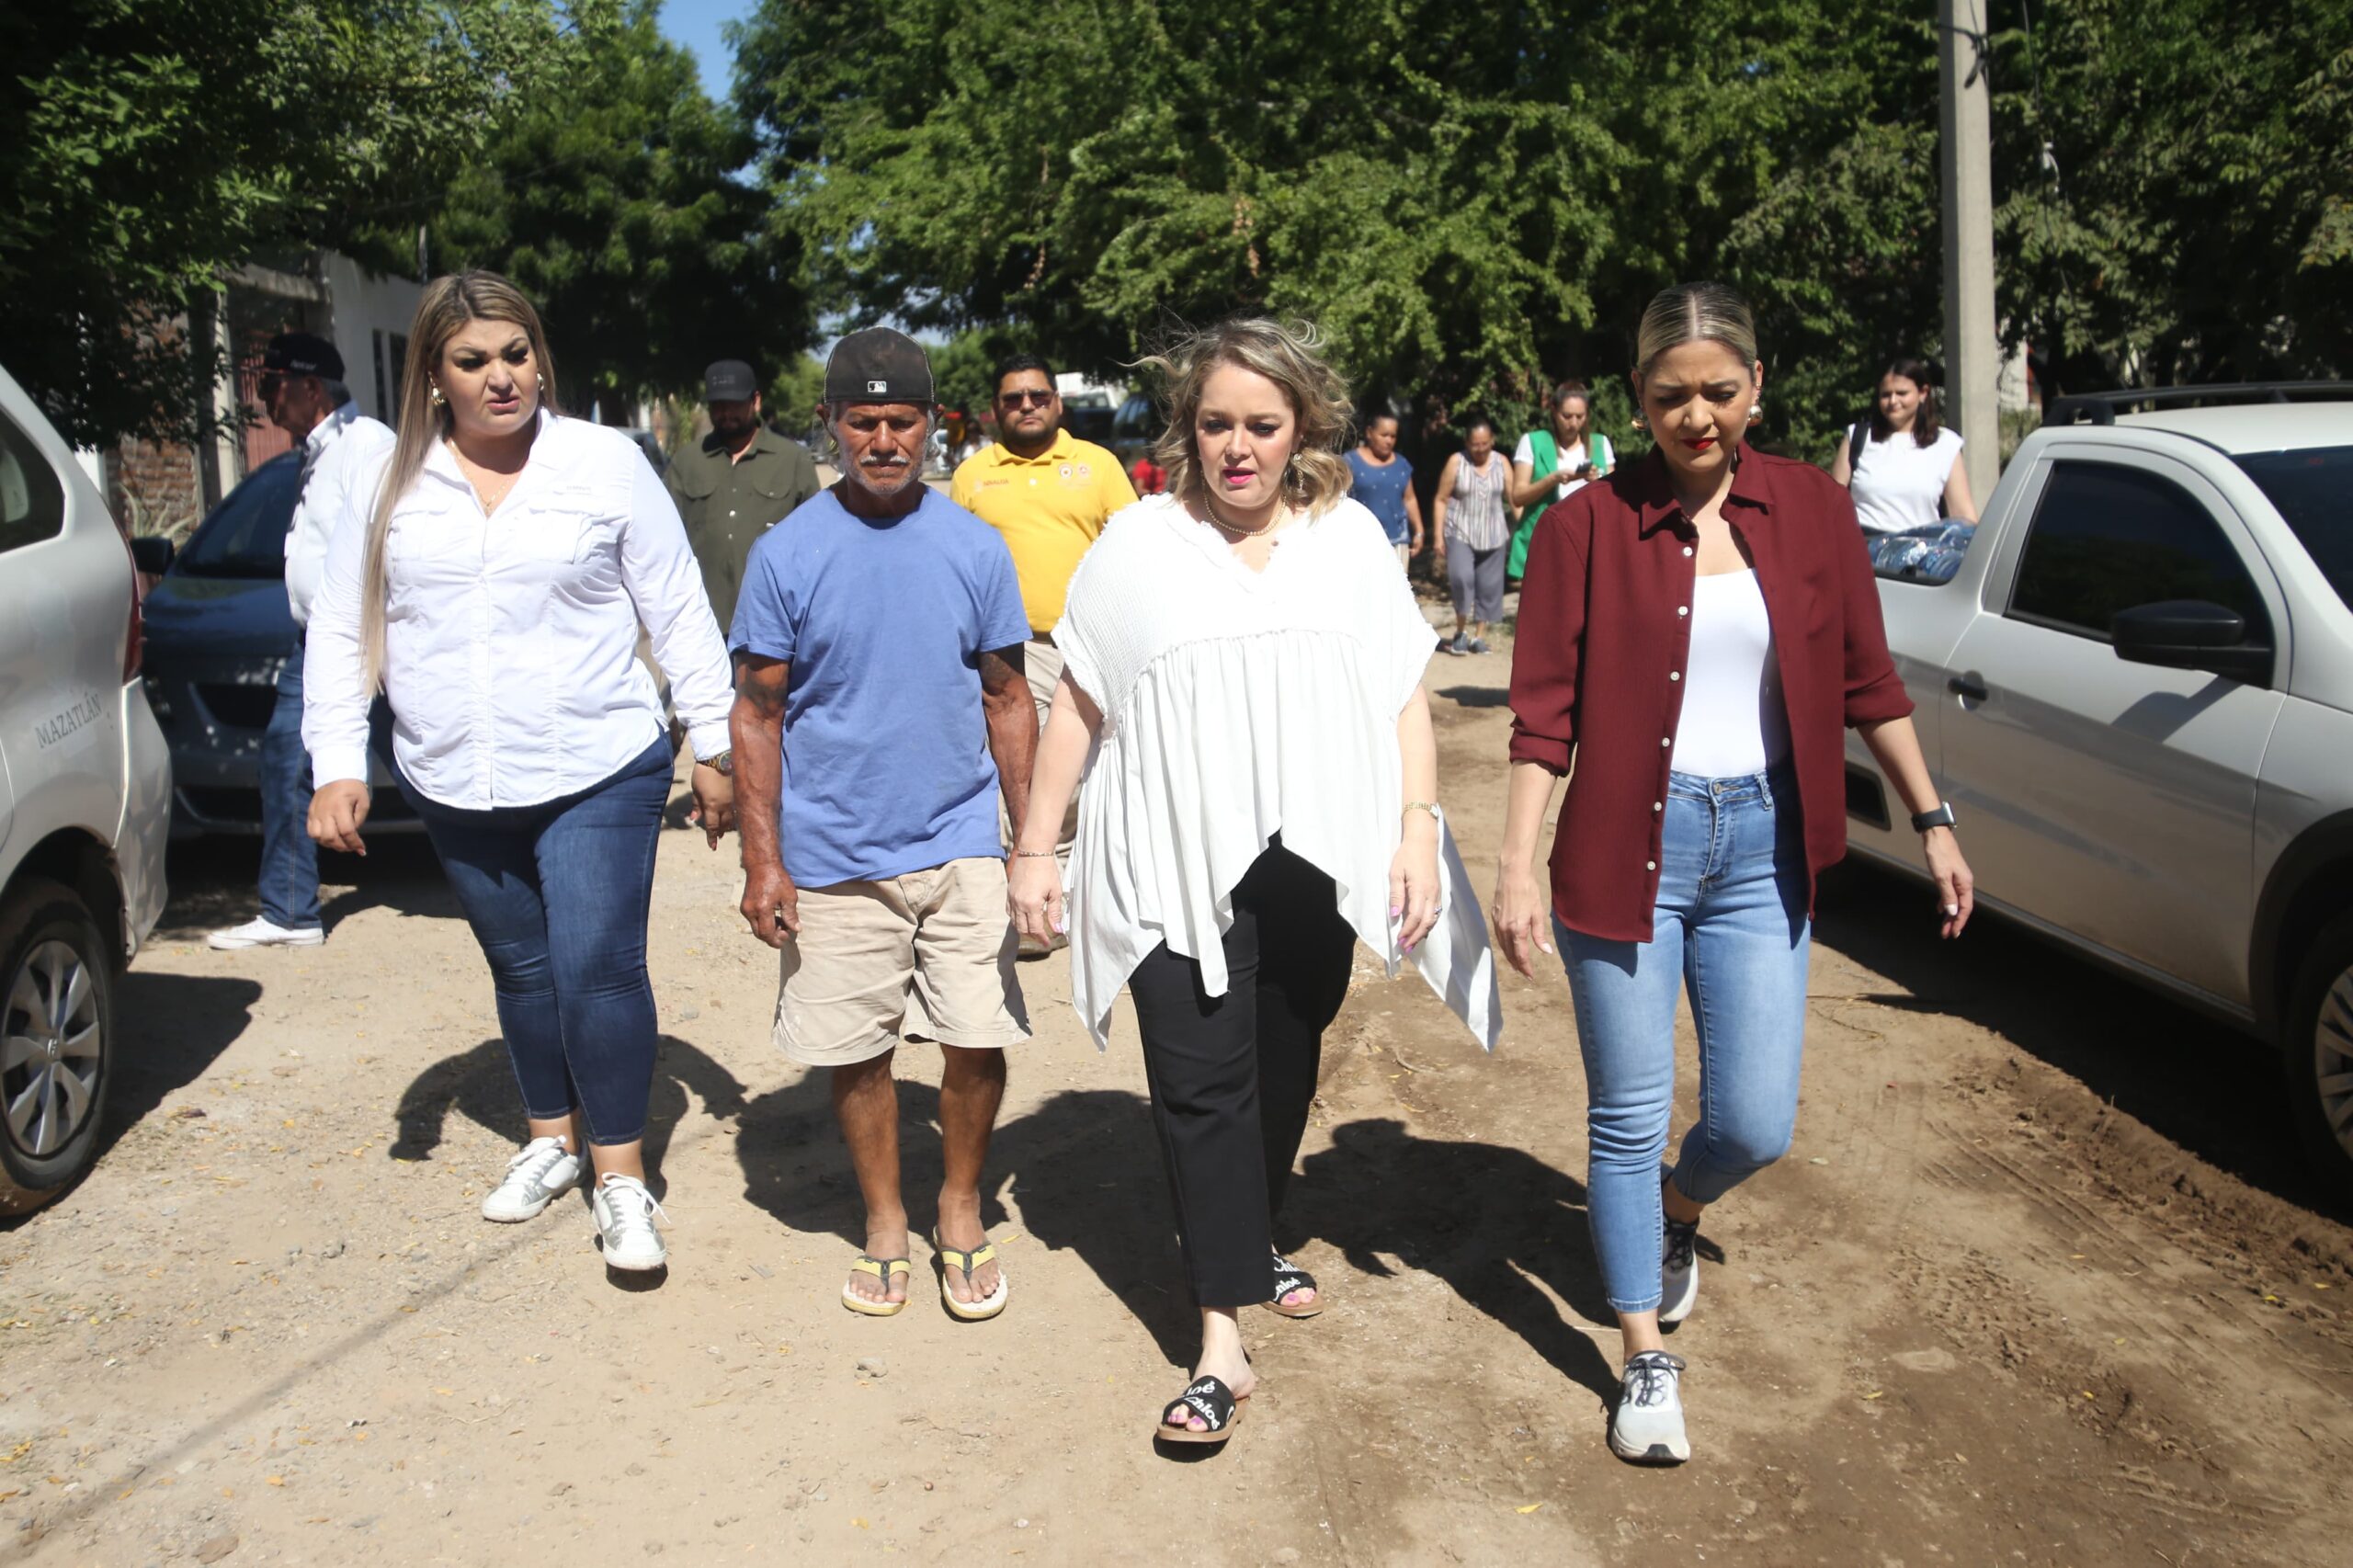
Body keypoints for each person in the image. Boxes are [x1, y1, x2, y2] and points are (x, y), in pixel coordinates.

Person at [1491, 282, 1976, 1466]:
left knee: (1755, 1121)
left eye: (1718, 391)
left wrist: (1933, 816)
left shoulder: (1811, 508)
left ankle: (1678, 1206)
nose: (1695, 417)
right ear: (1636, 403)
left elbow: (1867, 681)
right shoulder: (1583, 528)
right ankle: (1642, 1350)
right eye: (1668, 398)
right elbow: (1541, 718)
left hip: (1766, 846)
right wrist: (1512, 863)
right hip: (1623, 850)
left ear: (1756, 386)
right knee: (1625, 1112)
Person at [1008, 316, 1491, 1449]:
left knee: (1283, 1057)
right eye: (1216, 423)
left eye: (1261, 426)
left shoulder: (1349, 541)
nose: (1238, 448)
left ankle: (1253, 1231)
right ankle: (1218, 1334)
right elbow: (1078, 704)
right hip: (1173, 853)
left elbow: (1400, 695)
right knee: (1198, 1079)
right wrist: (1038, 845)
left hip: (1313, 854)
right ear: (1188, 427)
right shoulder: (1134, 545)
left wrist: (1416, 831)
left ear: (1300, 429)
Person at [305, 271, 738, 1275]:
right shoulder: (389, 483)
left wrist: (711, 744)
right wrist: (337, 759)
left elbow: (676, 607)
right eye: (472, 361)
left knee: (595, 965)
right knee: (524, 968)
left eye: (515, 353)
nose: (500, 377)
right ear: (432, 375)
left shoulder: (603, 463)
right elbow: (341, 623)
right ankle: (551, 1137)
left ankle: (621, 1174)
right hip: (452, 772)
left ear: (539, 356)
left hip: (597, 758)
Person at [733, 327, 1038, 1322]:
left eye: (900, 420)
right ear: (830, 423)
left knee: (974, 1036)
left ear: (932, 426)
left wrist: (1032, 844)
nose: (881, 439)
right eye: (860, 420)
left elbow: (1007, 700)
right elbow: (759, 714)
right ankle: (884, 1216)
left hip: (957, 842)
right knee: (856, 1049)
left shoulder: (973, 546)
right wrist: (763, 859)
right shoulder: (788, 555)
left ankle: (958, 1203)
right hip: (832, 854)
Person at [206, 333, 394, 952]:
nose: (264, 400)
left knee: (429, 755)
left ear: (310, 388)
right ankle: (290, 911)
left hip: (364, 640)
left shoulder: (364, 444)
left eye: (272, 385)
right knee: (288, 759)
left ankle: (516, 866)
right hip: (314, 640)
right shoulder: (316, 452)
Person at [949, 354, 1139, 913]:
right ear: (995, 410)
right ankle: (1042, 892)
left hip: (1091, 646)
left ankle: (1082, 884)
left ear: (1057, 402)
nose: (1026, 406)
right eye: (1013, 399)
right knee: (1028, 771)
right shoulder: (973, 475)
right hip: (1011, 651)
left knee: (1090, 767)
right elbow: (951, 558)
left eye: (1037, 396)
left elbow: (1131, 548)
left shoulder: (1097, 465)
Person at [663, 358, 822, 635]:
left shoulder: (793, 460)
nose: (726, 413)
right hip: (701, 624)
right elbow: (662, 539)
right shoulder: (686, 463)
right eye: (718, 405)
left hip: (774, 625)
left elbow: (817, 539)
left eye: (734, 404)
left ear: (755, 401)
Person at [1828, 358, 1978, 534]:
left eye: (1901, 393)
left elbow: (1963, 517)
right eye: (1885, 395)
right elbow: (1831, 504)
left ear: (1922, 393)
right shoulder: (1858, 437)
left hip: (1920, 554)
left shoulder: (1946, 443)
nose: (1893, 401)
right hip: (1861, 552)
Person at [1506, 380, 1614, 584]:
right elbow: (1518, 496)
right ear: (1554, 411)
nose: (1573, 423)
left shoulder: (1600, 443)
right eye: (1567, 416)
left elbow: (1615, 499)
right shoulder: (1532, 442)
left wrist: (1597, 480)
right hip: (1543, 542)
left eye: (1579, 416)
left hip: (1588, 540)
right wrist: (1553, 479)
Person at [1431, 416, 1511, 654]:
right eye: (1475, 444)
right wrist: (1437, 536)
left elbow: (1515, 498)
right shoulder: (1456, 462)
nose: (1480, 449)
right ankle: (1460, 632)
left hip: (1493, 532)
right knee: (1462, 578)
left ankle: (1479, 636)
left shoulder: (1502, 462)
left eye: (1485, 443)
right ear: (1467, 443)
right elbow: (1441, 499)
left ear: (1492, 441)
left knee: (1489, 585)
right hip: (1460, 529)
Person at [1344, 410, 1425, 570]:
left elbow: (1409, 499)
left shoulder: (1401, 465)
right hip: (1359, 542)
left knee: (1396, 591)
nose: (1389, 441)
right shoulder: (1349, 463)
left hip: (1397, 540)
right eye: (1384, 435)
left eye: (1393, 436)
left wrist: (1419, 531)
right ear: (1369, 433)